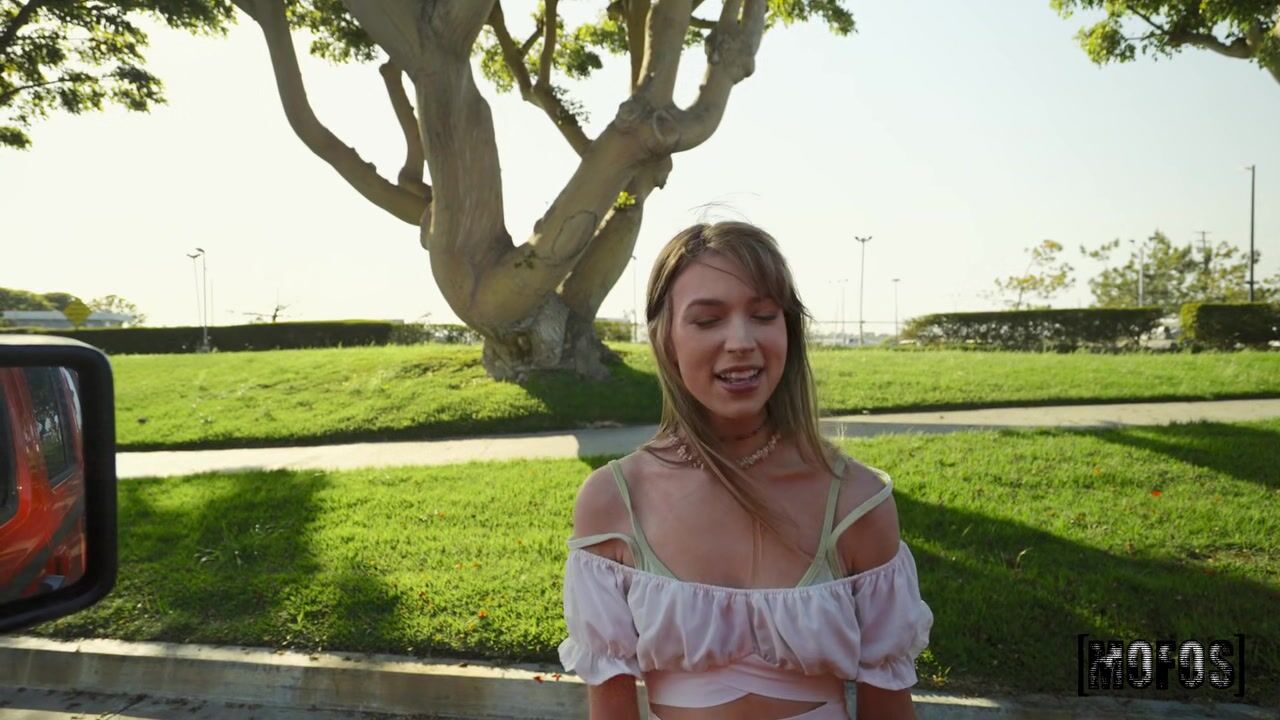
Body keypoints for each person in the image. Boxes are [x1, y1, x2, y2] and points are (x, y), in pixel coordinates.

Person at [558, 221, 933, 720]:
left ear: (788, 330)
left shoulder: (855, 500)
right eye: (708, 320)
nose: (740, 341)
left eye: (763, 315)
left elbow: (887, 704)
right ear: (666, 338)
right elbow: (610, 708)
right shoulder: (615, 500)